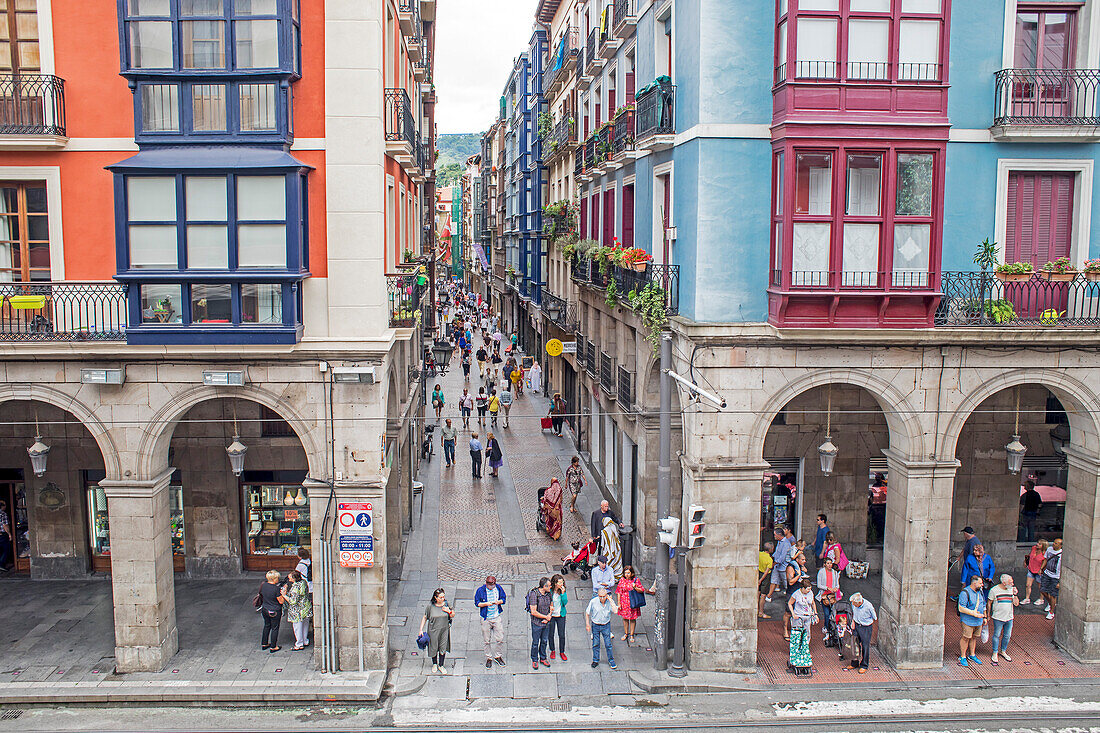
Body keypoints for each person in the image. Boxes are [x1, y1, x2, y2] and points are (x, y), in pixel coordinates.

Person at [615, 565, 655, 644]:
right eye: (625, 573)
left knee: (632, 619)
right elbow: (619, 592)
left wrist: (635, 587)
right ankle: (626, 633)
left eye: (628, 573)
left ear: (632, 573)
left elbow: (641, 590)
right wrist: (619, 603)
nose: (627, 575)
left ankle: (632, 634)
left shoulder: (636, 580)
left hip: (633, 602)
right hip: (624, 603)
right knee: (625, 618)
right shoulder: (622, 580)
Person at [419, 588, 455, 674]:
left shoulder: (446, 604)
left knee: (443, 647)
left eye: (443, 597)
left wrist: (448, 611)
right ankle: (434, 663)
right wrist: (421, 629)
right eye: (440, 597)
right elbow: (425, 617)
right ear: (436, 597)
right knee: (433, 647)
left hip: (444, 630)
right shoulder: (430, 606)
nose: (442, 599)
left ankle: (441, 665)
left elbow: (453, 614)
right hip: (433, 630)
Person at [474, 575, 507, 669]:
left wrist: (499, 602)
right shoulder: (480, 591)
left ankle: (498, 656)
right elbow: (477, 603)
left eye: (493, 585)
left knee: (500, 638)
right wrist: (486, 604)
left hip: (496, 617)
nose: (492, 587)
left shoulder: (498, 588)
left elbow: (504, 599)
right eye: (490, 585)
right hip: (486, 618)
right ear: (486, 584)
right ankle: (489, 658)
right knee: (486, 640)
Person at [786, 578, 817, 672]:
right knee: (797, 634)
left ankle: (805, 650)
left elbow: (812, 603)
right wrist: (793, 614)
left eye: (810, 589)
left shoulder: (810, 593)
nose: (809, 591)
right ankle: (796, 651)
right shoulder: (796, 594)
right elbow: (790, 603)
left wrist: (815, 613)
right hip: (799, 616)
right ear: (802, 588)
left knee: (807, 634)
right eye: (807, 589)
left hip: (808, 616)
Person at [988, 573, 1019, 663]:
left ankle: (1003, 651)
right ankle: (995, 652)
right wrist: (988, 614)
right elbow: (989, 602)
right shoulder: (994, 590)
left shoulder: (1011, 590)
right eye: (1011, 582)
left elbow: (1016, 604)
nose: (1012, 584)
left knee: (1007, 635)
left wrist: (1015, 594)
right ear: (1004, 583)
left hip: (1009, 617)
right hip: (998, 617)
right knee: (996, 635)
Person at [586, 586, 618, 669]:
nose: (602, 598)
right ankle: (595, 660)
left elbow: (615, 611)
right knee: (596, 643)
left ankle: (611, 660)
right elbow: (587, 613)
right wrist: (587, 624)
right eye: (600, 596)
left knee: (608, 644)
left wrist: (611, 600)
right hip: (595, 625)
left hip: (606, 625)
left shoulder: (609, 602)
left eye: (604, 596)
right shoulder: (593, 602)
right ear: (598, 595)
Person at [957, 574, 986, 666]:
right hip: (968, 621)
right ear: (974, 583)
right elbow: (961, 608)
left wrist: (984, 617)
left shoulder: (980, 592)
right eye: (980, 583)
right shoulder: (965, 593)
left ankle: (972, 654)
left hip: (978, 621)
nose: (982, 585)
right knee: (966, 637)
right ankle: (963, 656)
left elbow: (983, 604)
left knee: (974, 637)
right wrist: (973, 613)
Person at [526, 577, 553, 670]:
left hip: (546, 622)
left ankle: (543, 657)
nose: (551, 587)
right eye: (549, 586)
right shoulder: (534, 594)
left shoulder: (548, 594)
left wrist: (548, 616)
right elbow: (533, 612)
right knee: (535, 642)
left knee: (545, 641)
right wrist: (545, 617)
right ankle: (534, 659)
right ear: (544, 586)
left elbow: (551, 606)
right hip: (537, 623)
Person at [783, 549, 810, 640]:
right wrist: (798, 575)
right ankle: (785, 629)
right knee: (788, 612)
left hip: (800, 592)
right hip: (792, 591)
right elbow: (790, 582)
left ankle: (796, 629)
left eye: (805, 559)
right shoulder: (791, 567)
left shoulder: (800, 567)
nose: (804, 561)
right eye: (802, 560)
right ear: (797, 560)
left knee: (798, 611)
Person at [847, 593, 877, 673]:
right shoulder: (854, 603)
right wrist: (853, 621)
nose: (853, 605)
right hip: (856, 625)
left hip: (865, 627)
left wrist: (866, 622)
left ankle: (864, 665)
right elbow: (854, 612)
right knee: (854, 644)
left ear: (859, 603)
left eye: (854, 604)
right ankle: (854, 663)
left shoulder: (868, 606)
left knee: (865, 646)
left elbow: (874, 617)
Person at [816, 556, 842, 644]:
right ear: (825, 564)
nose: (829, 565)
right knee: (826, 613)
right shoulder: (821, 572)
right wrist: (827, 588)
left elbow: (837, 584)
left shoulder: (835, 573)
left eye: (831, 563)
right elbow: (819, 585)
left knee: (833, 612)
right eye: (828, 563)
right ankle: (826, 628)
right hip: (824, 596)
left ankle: (831, 628)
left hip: (832, 596)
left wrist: (835, 588)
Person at [284, 569, 312, 651]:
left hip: (297, 610)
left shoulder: (296, 587)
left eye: (290, 578)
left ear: (294, 578)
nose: (289, 579)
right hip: (305, 607)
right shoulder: (303, 582)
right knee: (305, 624)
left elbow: (293, 601)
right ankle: (305, 640)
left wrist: (284, 595)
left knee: (297, 627)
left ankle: (299, 643)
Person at [258, 569, 285, 652]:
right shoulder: (276, 589)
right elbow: (281, 601)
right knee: (275, 628)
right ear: (274, 579)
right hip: (275, 610)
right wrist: (283, 593)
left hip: (265, 609)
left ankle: (264, 643)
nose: (278, 580)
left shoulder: (264, 585)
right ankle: (273, 646)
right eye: (277, 578)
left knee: (267, 626)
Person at [548, 574, 569, 661]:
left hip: (560, 615)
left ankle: (562, 651)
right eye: (559, 582)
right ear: (555, 583)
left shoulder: (562, 591)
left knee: (562, 634)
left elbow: (565, 602)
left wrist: (563, 594)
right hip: (552, 615)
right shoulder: (550, 591)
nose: (561, 584)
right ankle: (552, 650)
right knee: (551, 634)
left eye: (562, 582)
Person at [1041, 537, 1062, 620]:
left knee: (1053, 594)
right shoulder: (1049, 549)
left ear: (1060, 545)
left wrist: (1059, 582)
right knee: (1042, 590)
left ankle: (1051, 612)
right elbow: (1045, 559)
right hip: (1047, 573)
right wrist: (1041, 568)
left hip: (1056, 577)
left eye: (1056, 543)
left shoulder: (1061, 554)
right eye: (1054, 542)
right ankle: (1050, 603)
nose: (1053, 544)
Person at [598, 513, 623, 579]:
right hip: (616, 548)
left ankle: (608, 576)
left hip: (608, 549)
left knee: (608, 561)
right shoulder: (614, 527)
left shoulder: (604, 531)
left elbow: (603, 543)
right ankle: (617, 575)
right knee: (617, 562)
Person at [1024, 539, 1048, 605]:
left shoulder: (1044, 553)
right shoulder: (1033, 548)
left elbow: (1045, 561)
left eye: (1040, 544)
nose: (1037, 544)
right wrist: (1026, 562)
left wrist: (1041, 569)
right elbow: (1029, 555)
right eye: (1038, 543)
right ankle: (1027, 598)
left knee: (1040, 586)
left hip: (1038, 572)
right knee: (1028, 585)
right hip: (1031, 569)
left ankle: (1041, 599)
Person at [758, 541, 775, 619]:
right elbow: (766, 572)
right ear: (771, 549)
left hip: (759, 573)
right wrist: (761, 580)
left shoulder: (759, 554)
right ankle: (761, 612)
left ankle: (756, 610)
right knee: (763, 595)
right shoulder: (769, 559)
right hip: (765, 577)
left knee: (757, 594)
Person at [0, 498, 13, 571]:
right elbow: (5, 525)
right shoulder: (3, 514)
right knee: (6, 549)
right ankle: (1, 563)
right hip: (2, 534)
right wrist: (9, 534)